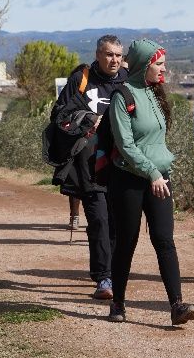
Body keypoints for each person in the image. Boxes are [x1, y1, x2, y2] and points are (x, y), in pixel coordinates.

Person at [107, 39, 194, 326]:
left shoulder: (156, 93)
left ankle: (177, 305)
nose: (164, 68)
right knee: (127, 242)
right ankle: (118, 304)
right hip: (129, 180)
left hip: (160, 177)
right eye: (158, 63)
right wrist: (152, 172)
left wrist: (161, 169)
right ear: (145, 65)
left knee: (164, 240)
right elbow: (125, 144)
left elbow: (155, 140)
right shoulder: (123, 96)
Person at [49, 35, 127, 300]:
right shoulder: (80, 79)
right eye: (108, 54)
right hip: (90, 164)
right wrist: (91, 120)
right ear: (98, 54)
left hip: (122, 164)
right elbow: (60, 115)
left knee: (117, 222)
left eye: (118, 55)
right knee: (99, 219)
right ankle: (104, 277)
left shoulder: (129, 80)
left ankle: (113, 272)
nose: (113, 59)